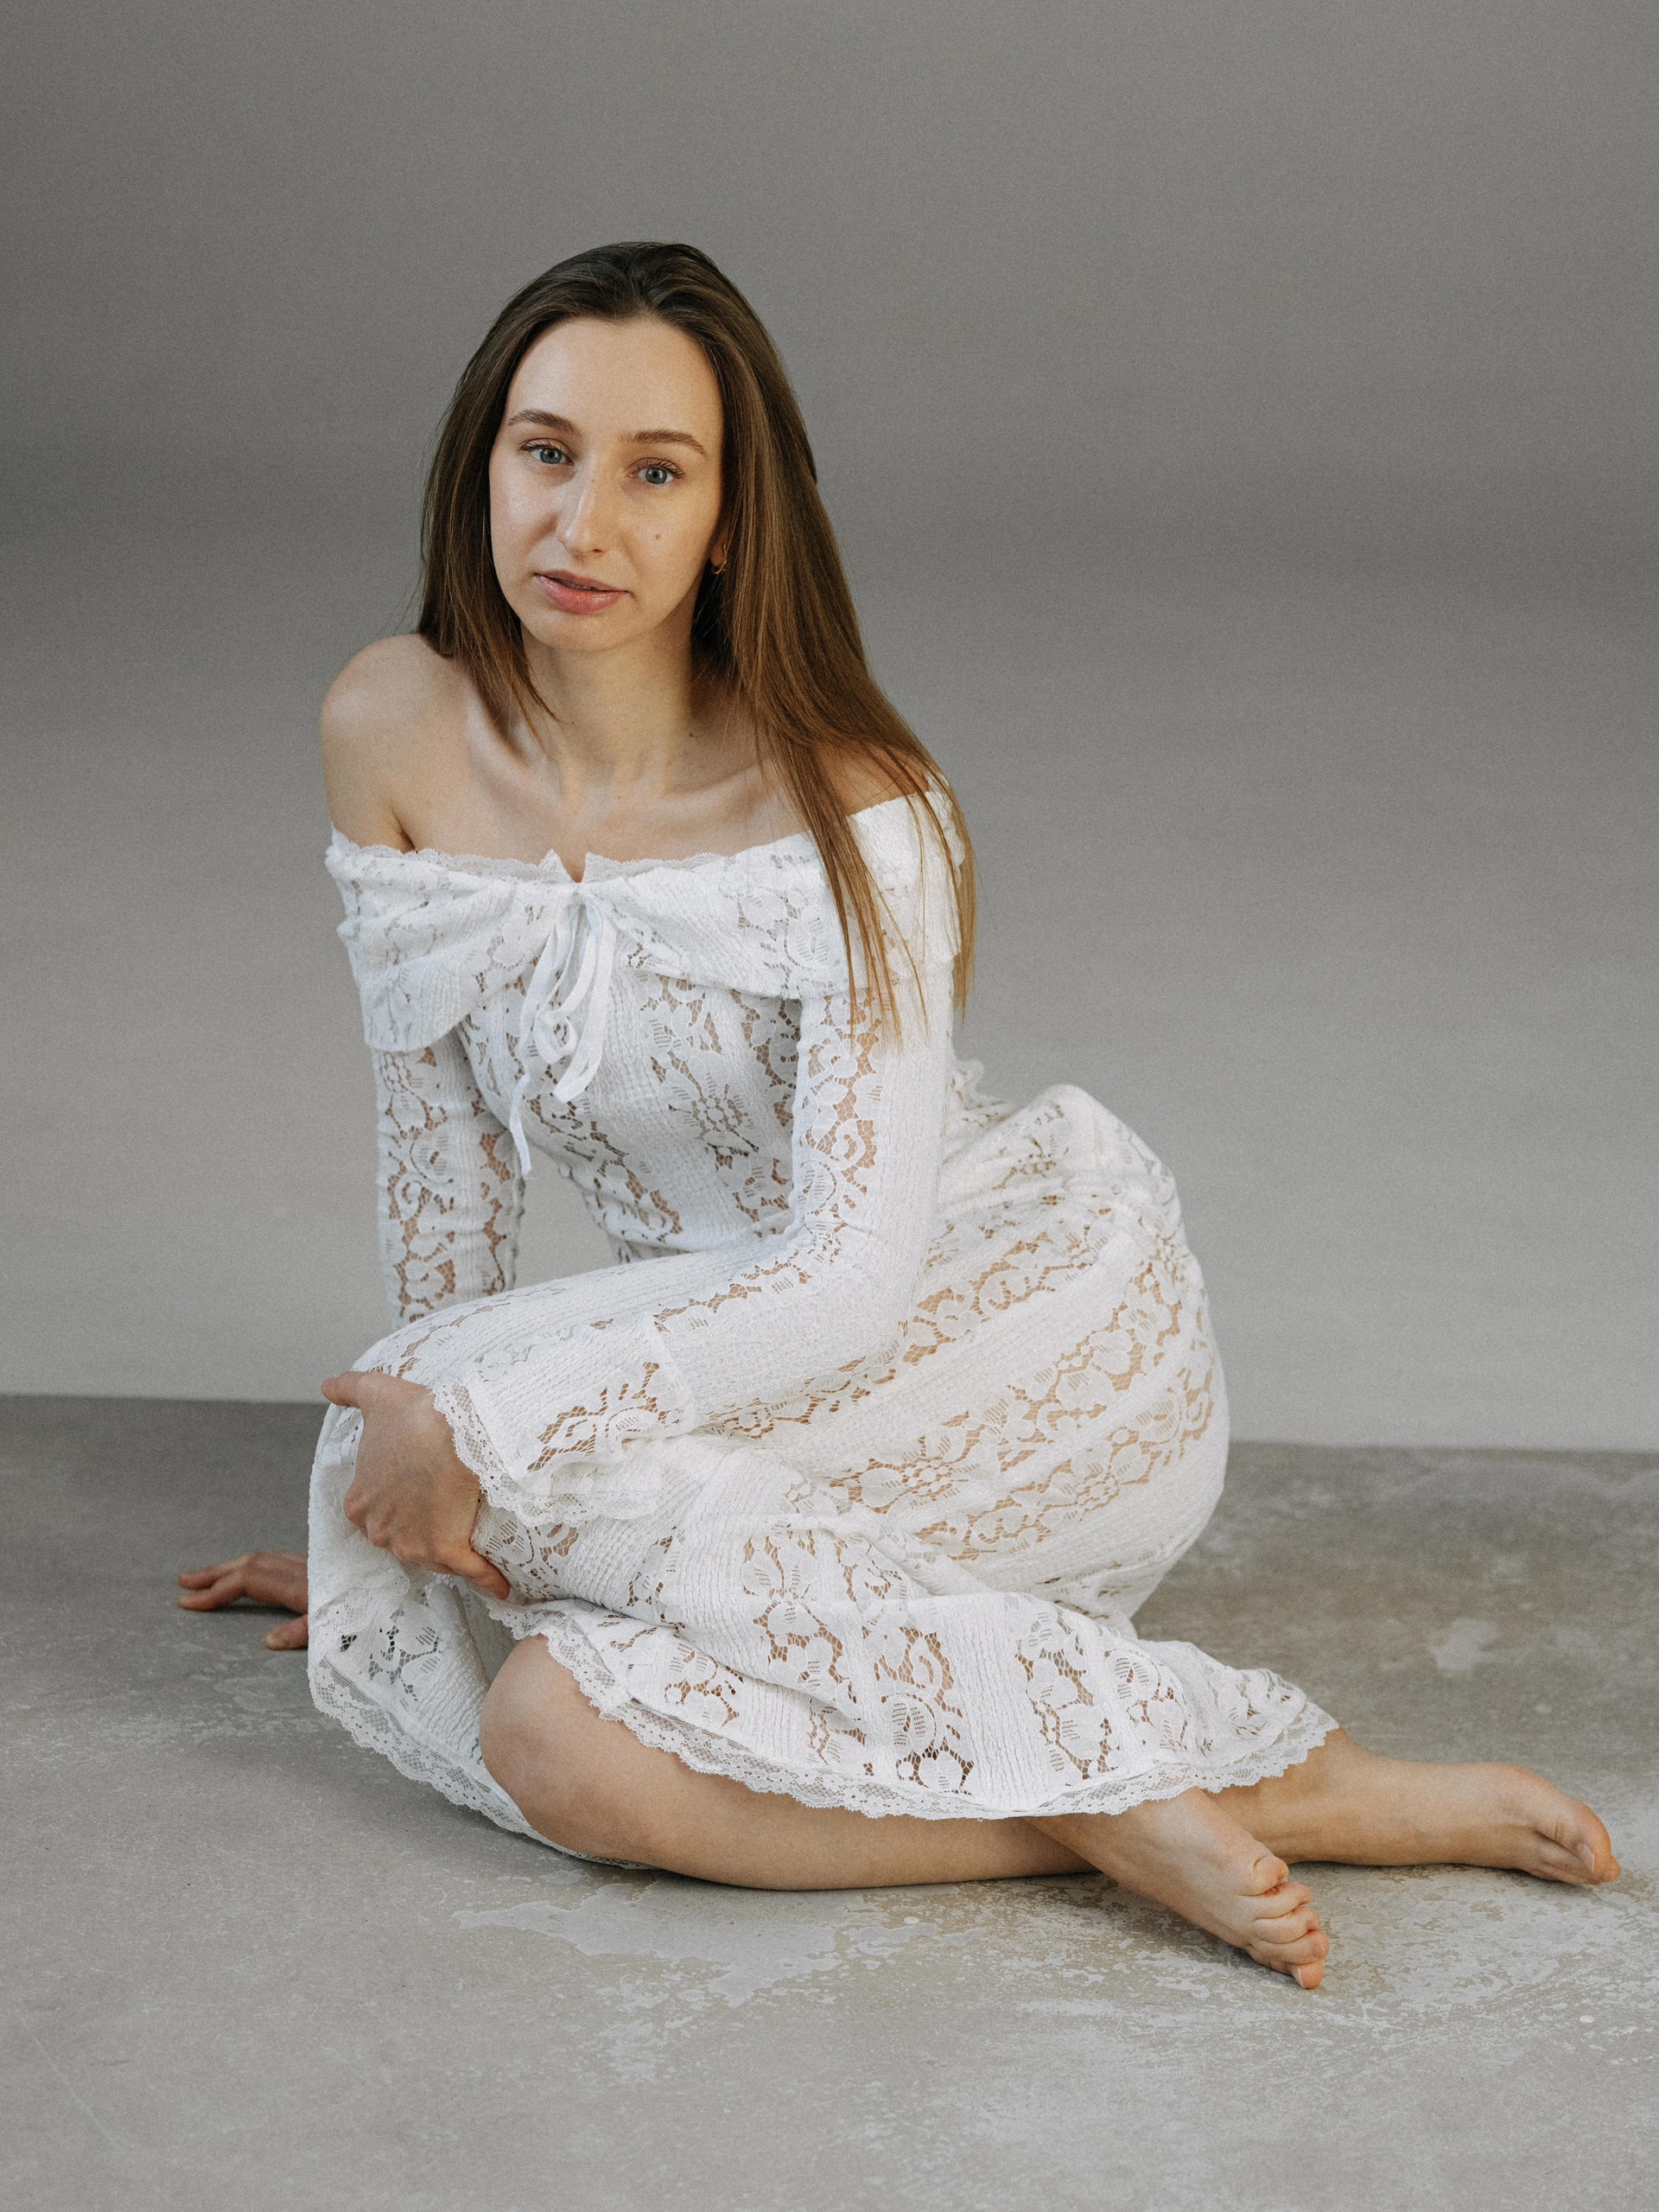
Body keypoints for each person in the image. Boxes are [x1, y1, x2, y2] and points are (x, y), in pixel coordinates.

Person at [179, 242, 1618, 1990]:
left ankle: (1294, 1778)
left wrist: (479, 1440)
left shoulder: (857, 804)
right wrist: (406, 1492)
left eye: (656, 473)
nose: (582, 521)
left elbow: (846, 1284)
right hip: (712, 1390)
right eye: (544, 451)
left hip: (998, 1337)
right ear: (482, 461)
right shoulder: (391, 722)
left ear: (733, 519)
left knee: (484, 1456)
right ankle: (1110, 1802)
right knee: (554, 1739)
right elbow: (445, 1166)